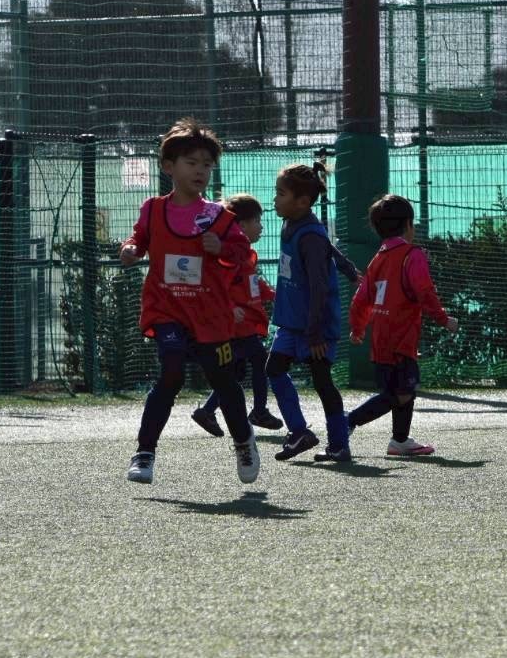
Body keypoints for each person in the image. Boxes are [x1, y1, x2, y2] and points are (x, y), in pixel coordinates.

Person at [120, 118, 259, 486]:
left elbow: (243, 254)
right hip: (167, 308)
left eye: (206, 164)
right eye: (191, 162)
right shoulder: (153, 208)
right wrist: (131, 249)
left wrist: (222, 248)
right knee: (171, 372)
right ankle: (144, 452)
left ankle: (243, 441)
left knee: (222, 380)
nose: (200, 170)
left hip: (209, 314)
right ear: (169, 167)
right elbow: (139, 238)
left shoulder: (219, 217)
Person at [347, 194, 458, 457]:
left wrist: (358, 328)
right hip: (401, 339)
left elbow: (360, 299)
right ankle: (348, 421)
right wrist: (444, 319)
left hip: (381, 339)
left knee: (398, 390)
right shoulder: (412, 254)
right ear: (409, 224)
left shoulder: (378, 258)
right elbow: (424, 291)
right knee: (402, 392)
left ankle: (400, 440)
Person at [265, 162, 360, 463]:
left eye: (281, 194)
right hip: (292, 322)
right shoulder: (294, 224)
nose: (275, 199)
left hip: (314, 325)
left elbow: (319, 286)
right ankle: (299, 432)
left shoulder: (309, 236)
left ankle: (339, 444)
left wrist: (315, 331)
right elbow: (329, 247)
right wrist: (347, 267)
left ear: (302, 202)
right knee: (274, 369)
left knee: (322, 381)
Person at [190, 193, 282, 435]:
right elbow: (217, 285)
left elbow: (252, 283)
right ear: (240, 225)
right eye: (257, 221)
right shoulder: (230, 256)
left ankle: (207, 411)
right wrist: (230, 308)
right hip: (236, 326)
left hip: (243, 324)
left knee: (235, 372)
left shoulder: (245, 255)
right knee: (261, 359)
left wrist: (272, 294)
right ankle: (259, 411)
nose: (261, 227)